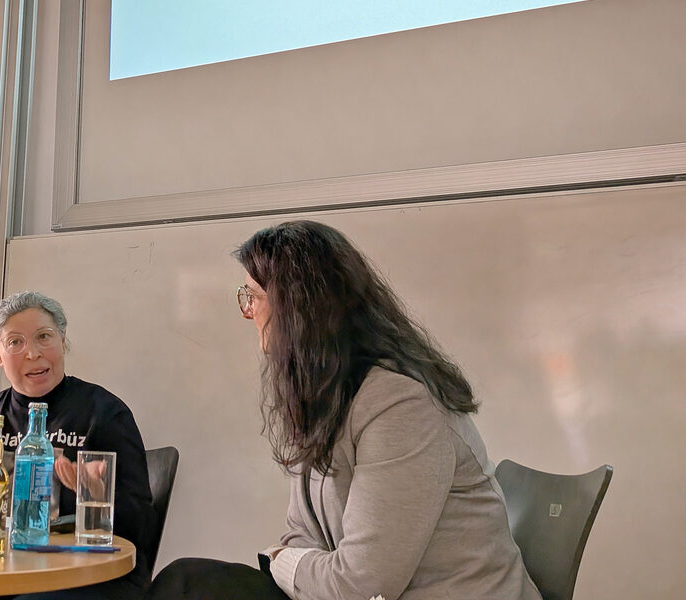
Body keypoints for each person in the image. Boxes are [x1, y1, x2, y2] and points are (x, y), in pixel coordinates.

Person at [148, 221, 540, 600]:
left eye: (252, 296)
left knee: (188, 586)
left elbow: (362, 585)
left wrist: (279, 562)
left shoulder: (401, 405)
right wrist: (291, 560)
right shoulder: (326, 393)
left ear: (295, 309)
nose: (247, 311)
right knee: (188, 581)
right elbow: (303, 534)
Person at [0, 291, 156, 600]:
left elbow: (140, 526)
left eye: (44, 337)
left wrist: (96, 495)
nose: (32, 353)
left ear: (63, 341)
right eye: (15, 342)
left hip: (86, 578)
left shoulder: (104, 413)